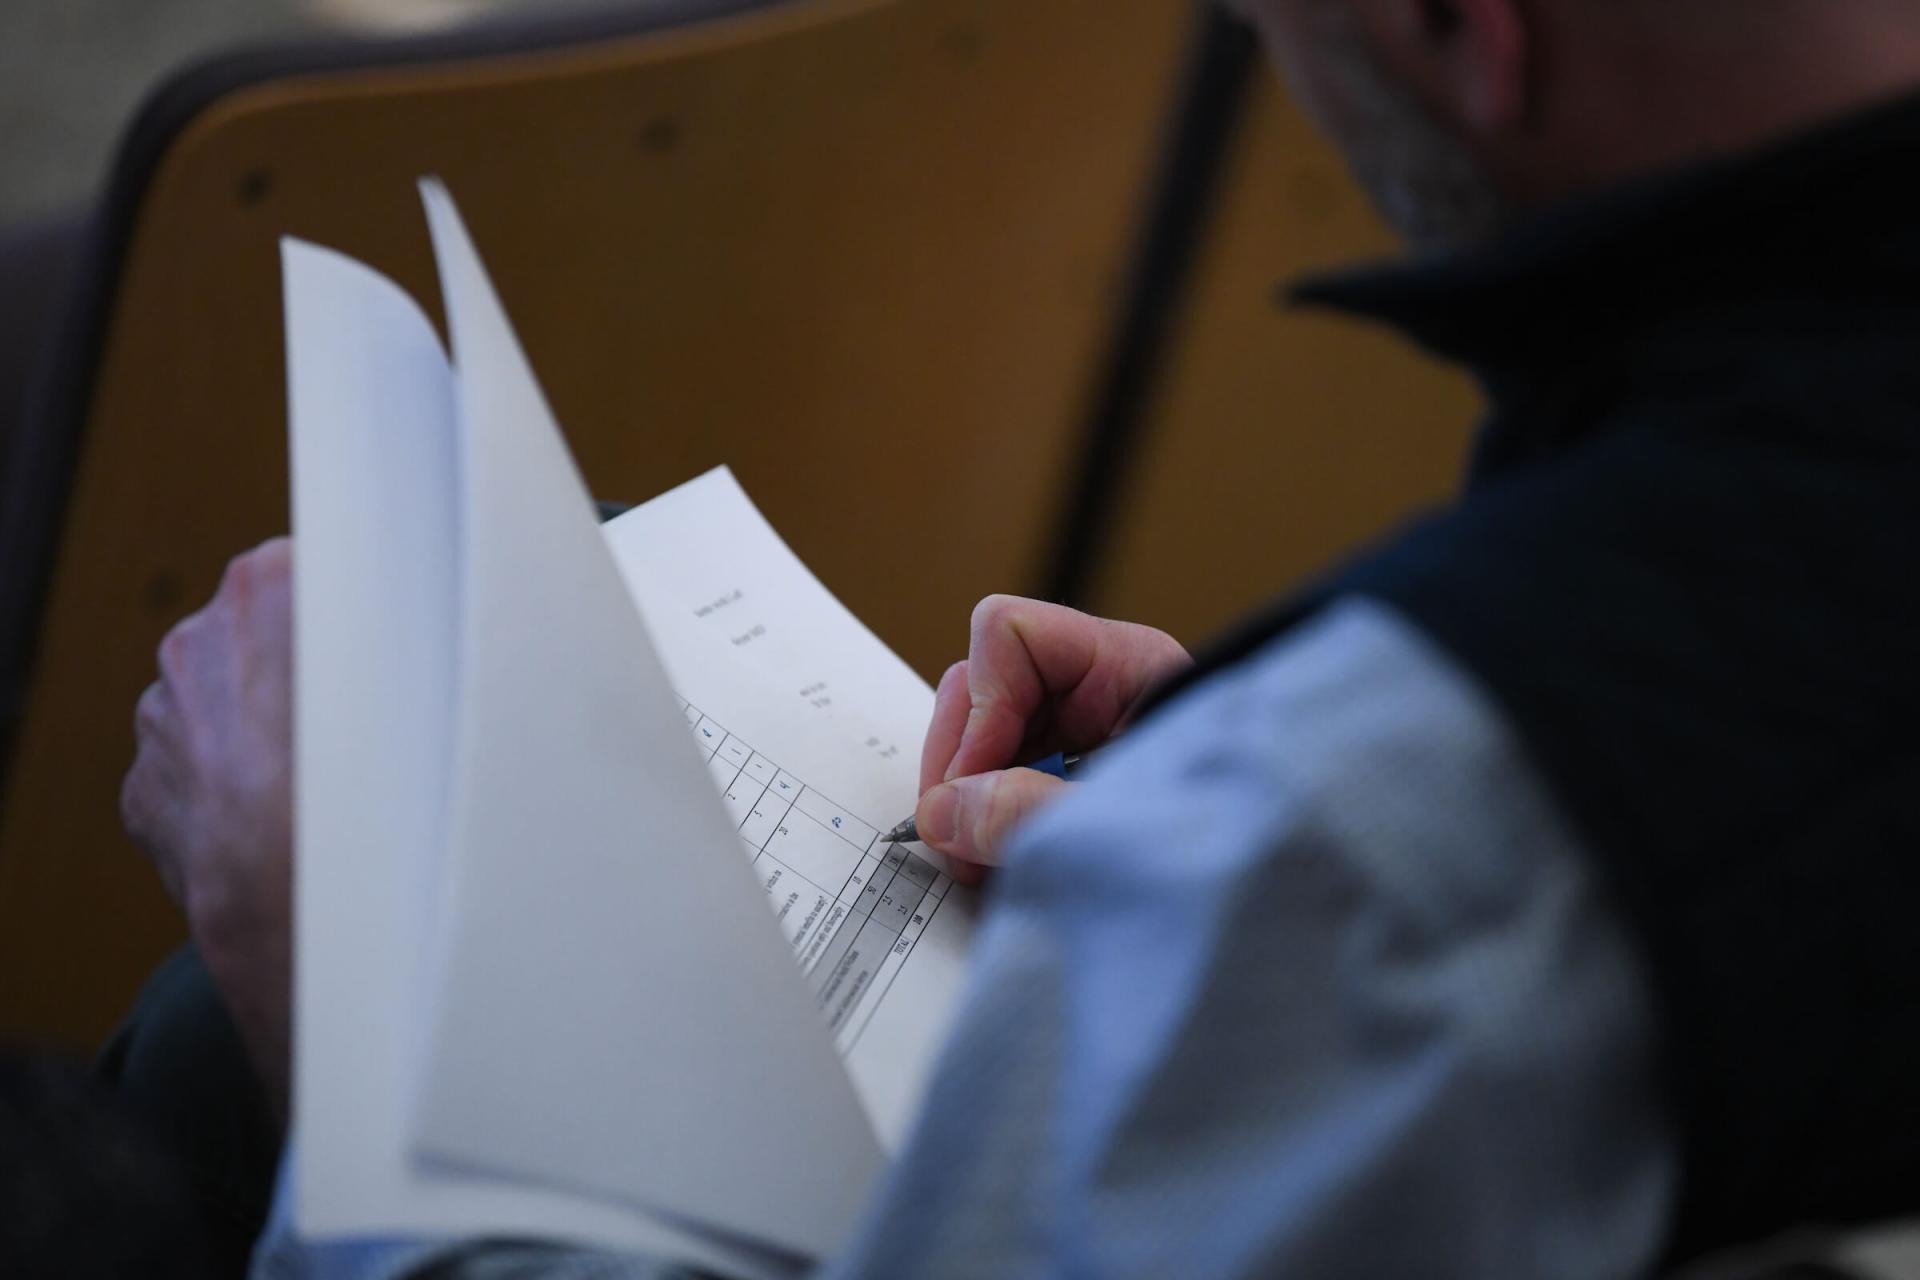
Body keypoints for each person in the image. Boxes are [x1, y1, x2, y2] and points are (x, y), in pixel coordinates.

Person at [117, 0, 1920, 1275]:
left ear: (1464, 21)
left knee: (194, 1058)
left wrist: (339, 991)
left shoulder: (1411, 846)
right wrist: (1251, 776)